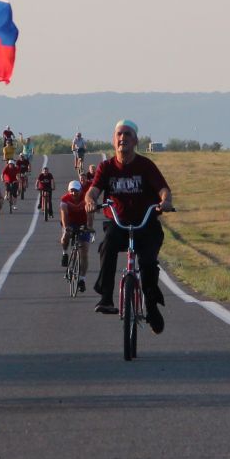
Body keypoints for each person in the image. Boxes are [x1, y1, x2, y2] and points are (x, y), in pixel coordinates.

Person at [84, 120, 174, 333]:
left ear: (135, 140)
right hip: (119, 224)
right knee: (107, 246)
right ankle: (106, 298)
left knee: (148, 265)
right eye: (119, 134)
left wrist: (165, 201)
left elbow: (163, 190)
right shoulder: (106, 167)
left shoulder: (145, 165)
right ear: (113, 140)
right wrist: (89, 200)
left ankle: (151, 307)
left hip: (145, 225)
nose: (122, 138)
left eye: (127, 134)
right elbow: (93, 190)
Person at [59, 179, 93, 292]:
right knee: (66, 236)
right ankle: (65, 253)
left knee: (84, 252)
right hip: (70, 223)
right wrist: (66, 227)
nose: (73, 193)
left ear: (80, 190)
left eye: (76, 191)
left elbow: (90, 213)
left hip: (83, 224)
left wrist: (89, 226)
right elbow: (64, 214)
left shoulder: (85, 198)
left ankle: (82, 279)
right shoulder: (65, 199)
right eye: (71, 191)